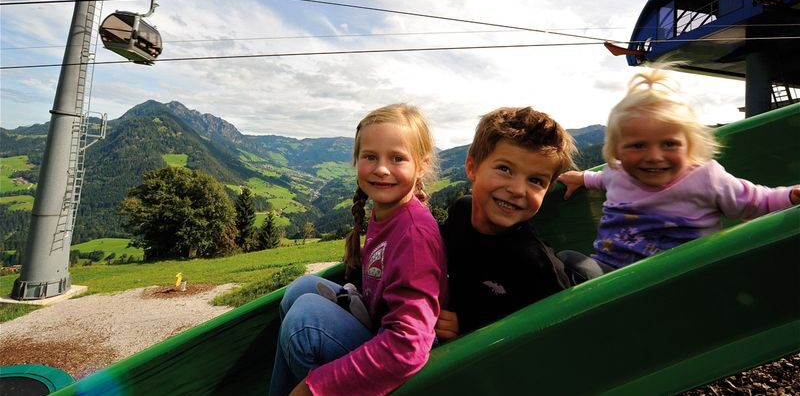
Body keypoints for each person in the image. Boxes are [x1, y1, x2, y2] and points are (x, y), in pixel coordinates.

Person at [269, 103, 448, 396]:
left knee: (304, 321)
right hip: (378, 327)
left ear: (422, 165)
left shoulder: (414, 232)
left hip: (408, 363)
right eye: (370, 157)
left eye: (397, 158)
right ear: (356, 160)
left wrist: (315, 388)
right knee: (301, 289)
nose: (381, 169)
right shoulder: (387, 212)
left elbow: (408, 346)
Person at [557, 70, 800, 284]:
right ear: (616, 150)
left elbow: (754, 201)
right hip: (609, 272)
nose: (654, 156)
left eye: (669, 144)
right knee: (565, 260)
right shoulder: (617, 172)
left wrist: (790, 195)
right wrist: (581, 178)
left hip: (678, 278)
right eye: (638, 146)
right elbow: (599, 179)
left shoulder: (705, 177)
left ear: (690, 146)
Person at [435, 107, 576, 340]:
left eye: (535, 180)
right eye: (505, 169)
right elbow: (432, 247)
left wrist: (470, 322)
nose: (517, 190)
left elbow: (557, 326)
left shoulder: (535, 266)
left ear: (547, 190)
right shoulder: (461, 210)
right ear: (472, 168)